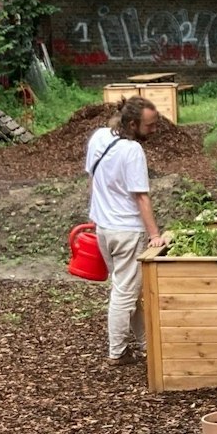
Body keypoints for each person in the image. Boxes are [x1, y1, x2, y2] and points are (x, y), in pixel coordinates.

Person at [85, 96, 166, 363]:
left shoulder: (99, 137)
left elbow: (93, 179)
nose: (154, 130)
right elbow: (140, 197)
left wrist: (97, 214)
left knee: (130, 289)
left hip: (104, 229)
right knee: (124, 293)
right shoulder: (132, 151)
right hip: (127, 232)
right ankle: (117, 352)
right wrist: (155, 235)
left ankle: (145, 344)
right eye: (150, 125)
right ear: (132, 123)